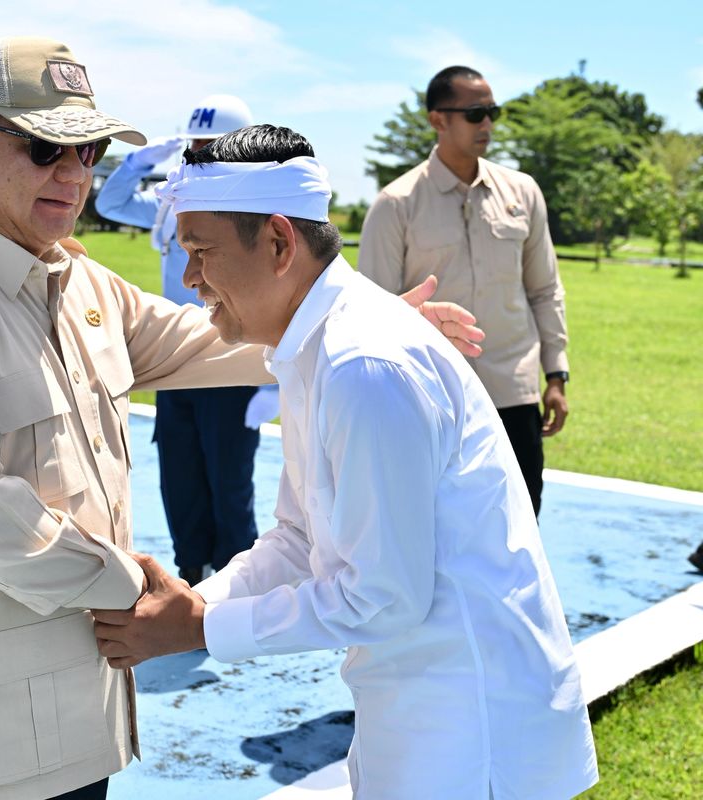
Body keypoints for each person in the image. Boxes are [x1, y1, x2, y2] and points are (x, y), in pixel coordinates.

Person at [0, 36, 481, 800]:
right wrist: (143, 591)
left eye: (89, 152)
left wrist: (347, 319)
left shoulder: (69, 279)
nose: (74, 174)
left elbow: (206, 336)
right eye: (46, 148)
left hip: (57, 701)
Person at [93, 125, 598, 799]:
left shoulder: (364, 364)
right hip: (421, 708)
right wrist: (197, 603)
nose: (189, 279)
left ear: (279, 243)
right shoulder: (317, 347)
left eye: (201, 251)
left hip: (470, 728)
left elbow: (382, 598)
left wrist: (203, 627)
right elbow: (300, 538)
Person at [357, 65, 569, 517]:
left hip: (514, 393)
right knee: (438, 529)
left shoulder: (523, 193)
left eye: (493, 111)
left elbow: (545, 289)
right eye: (475, 113)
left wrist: (556, 374)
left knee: (520, 523)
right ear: (438, 119)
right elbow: (371, 313)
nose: (487, 123)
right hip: (433, 398)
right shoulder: (396, 204)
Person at [95, 95, 274, 586]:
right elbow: (110, 203)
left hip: (233, 358)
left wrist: (270, 384)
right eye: (194, 147)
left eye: (211, 147)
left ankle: (237, 587)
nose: (200, 157)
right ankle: (190, 577)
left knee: (229, 484)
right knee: (180, 479)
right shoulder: (171, 201)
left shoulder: (254, 208)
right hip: (177, 360)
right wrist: (137, 163)